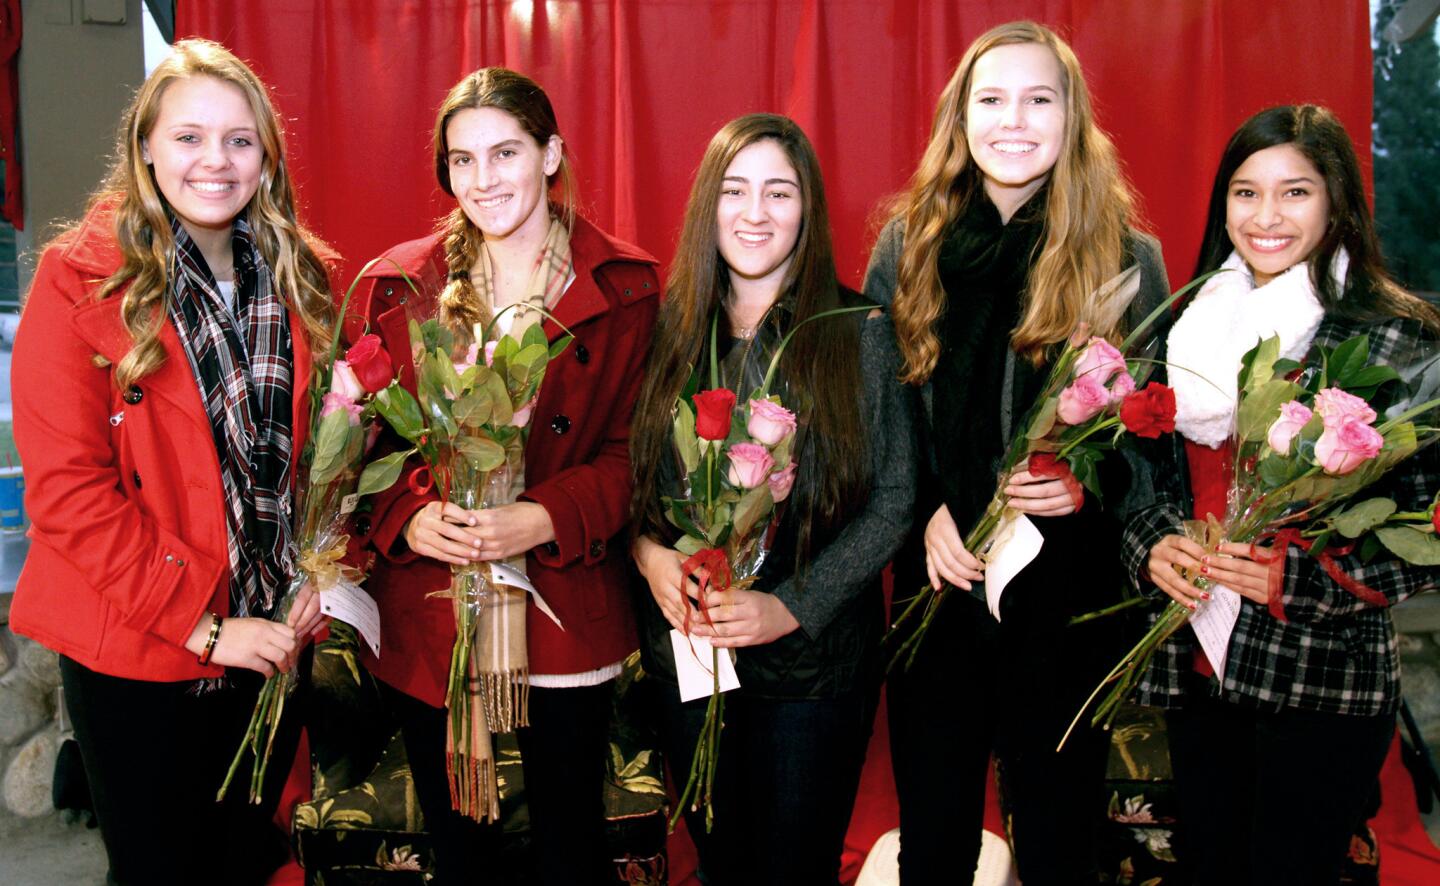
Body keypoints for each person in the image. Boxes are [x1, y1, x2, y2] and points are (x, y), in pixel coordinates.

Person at [10, 38, 333, 885]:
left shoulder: (300, 280)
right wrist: (204, 627)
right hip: (144, 645)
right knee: (163, 869)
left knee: (248, 859)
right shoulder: (75, 283)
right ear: (145, 146)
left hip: (270, 638)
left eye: (238, 140)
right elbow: (69, 495)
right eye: (188, 137)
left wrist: (322, 574)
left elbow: (322, 462)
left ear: (267, 157)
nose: (214, 162)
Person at [863, 20, 1170, 884]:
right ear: (960, 119)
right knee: (935, 828)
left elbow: (1150, 438)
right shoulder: (909, 244)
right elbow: (886, 416)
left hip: (1065, 592)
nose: (1014, 120)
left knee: (1059, 825)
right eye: (991, 100)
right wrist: (921, 511)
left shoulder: (1125, 257)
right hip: (939, 579)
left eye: (1040, 99)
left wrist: (1087, 483)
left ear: (1074, 119)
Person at [346, 67, 660, 885]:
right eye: (462, 161)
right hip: (434, 606)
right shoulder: (396, 286)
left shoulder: (627, 287)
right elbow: (359, 445)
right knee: (460, 847)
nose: (483, 181)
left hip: (565, 599)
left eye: (506, 153)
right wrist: (409, 516)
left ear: (552, 154)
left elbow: (638, 455)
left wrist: (545, 516)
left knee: (569, 846)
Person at [1124, 104, 1440, 885]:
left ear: (1337, 201)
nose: (1265, 217)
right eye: (1245, 192)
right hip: (1197, 663)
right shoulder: (1181, 326)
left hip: (1321, 677)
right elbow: (1136, 481)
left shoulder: (1396, 337)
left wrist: (1295, 581)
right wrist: (1152, 545)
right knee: (1206, 866)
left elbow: (1428, 531)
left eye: (1294, 192)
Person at [629, 113, 915, 885]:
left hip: (815, 668)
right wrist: (652, 558)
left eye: (779, 193)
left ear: (808, 210)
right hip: (692, 661)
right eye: (735, 190)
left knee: (794, 868)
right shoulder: (667, 332)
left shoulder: (859, 333)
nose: (755, 213)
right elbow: (628, 485)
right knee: (722, 865)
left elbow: (895, 500)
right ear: (706, 206)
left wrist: (790, 605)